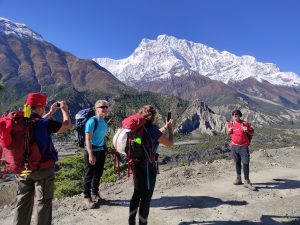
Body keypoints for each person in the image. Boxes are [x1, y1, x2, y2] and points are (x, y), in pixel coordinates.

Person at [13, 92, 72, 225]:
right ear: (39, 107)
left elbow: (36, 123)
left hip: (23, 169)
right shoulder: (44, 124)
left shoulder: (21, 122)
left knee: (22, 202)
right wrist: (64, 110)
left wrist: (50, 112)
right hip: (42, 170)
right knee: (43, 203)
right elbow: (67, 126)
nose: (45, 109)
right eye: (44, 107)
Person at [129, 105, 174, 225]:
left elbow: (149, 137)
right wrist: (170, 129)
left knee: (136, 194)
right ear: (153, 116)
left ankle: (131, 222)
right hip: (148, 168)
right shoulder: (152, 129)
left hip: (136, 165)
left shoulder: (138, 127)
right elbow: (169, 143)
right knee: (146, 198)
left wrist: (164, 127)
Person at [83, 100, 109, 208]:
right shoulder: (92, 121)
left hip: (101, 151)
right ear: (96, 109)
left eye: (106, 107)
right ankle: (86, 197)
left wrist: (105, 149)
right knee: (89, 175)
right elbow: (87, 140)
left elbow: (102, 137)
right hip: (92, 151)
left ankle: (95, 193)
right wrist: (90, 154)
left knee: (98, 174)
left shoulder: (104, 122)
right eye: (102, 107)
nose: (104, 108)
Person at [226, 109, 257, 191]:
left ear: (239, 115)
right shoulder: (230, 124)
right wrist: (229, 131)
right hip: (234, 146)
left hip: (243, 147)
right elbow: (228, 134)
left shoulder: (245, 123)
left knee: (246, 163)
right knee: (237, 162)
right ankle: (239, 178)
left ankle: (247, 181)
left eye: (236, 114)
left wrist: (247, 130)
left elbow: (252, 133)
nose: (234, 115)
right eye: (233, 114)